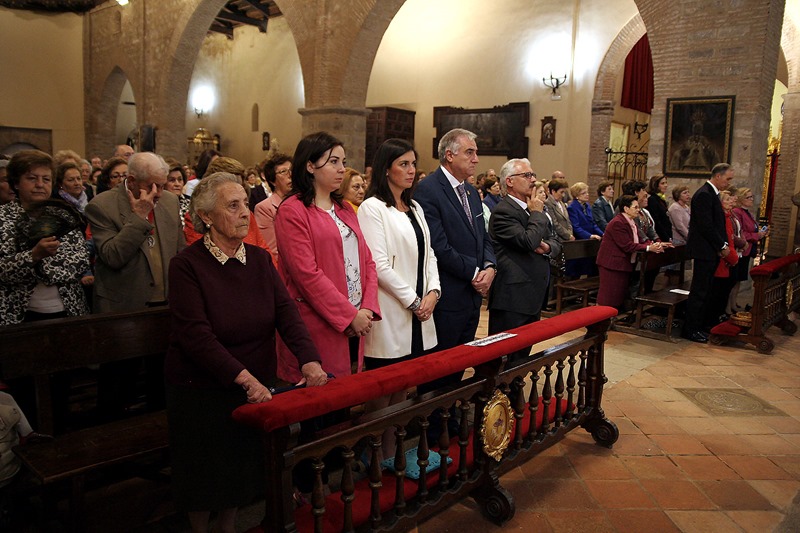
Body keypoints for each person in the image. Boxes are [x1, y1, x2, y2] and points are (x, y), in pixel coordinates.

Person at [165, 172, 328, 533]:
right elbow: (195, 335)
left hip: (255, 380)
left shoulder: (257, 259)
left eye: (246, 204)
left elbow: (287, 313)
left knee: (239, 471)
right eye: (233, 206)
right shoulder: (187, 266)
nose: (245, 213)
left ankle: (228, 526)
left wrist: (309, 359)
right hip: (204, 387)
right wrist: (244, 379)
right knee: (207, 477)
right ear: (206, 216)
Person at [274, 131, 380, 383]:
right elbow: (306, 275)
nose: (342, 168)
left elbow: (367, 261)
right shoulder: (293, 211)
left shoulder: (344, 208)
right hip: (317, 322)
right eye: (333, 161)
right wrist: (349, 315)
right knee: (320, 406)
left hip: (357, 318)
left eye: (343, 161)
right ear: (310, 165)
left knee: (346, 398)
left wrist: (366, 307)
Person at [357, 138, 440, 457]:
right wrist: (414, 301)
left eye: (413, 163)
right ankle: (373, 454)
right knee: (383, 391)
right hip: (392, 310)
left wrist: (433, 291)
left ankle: (391, 455)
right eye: (403, 164)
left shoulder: (415, 207)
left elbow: (428, 253)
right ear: (386, 169)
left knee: (405, 389)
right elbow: (377, 265)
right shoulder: (372, 207)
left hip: (420, 311)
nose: (411, 170)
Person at [85, 152, 185, 418]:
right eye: (153, 185)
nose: (160, 192)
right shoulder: (101, 205)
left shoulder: (170, 202)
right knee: (118, 385)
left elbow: (179, 252)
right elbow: (112, 256)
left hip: (164, 308)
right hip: (123, 310)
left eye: (163, 185)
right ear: (131, 180)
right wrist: (139, 217)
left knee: (161, 384)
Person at [414, 128, 496, 399]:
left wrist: (490, 267)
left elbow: (483, 236)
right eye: (470, 152)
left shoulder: (471, 192)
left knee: (459, 363)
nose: (476, 159)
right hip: (448, 294)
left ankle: (447, 415)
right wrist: (475, 273)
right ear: (449, 155)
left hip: (471, 295)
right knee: (439, 367)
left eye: (475, 152)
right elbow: (438, 245)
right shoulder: (428, 190)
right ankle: (429, 427)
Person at [0, 150, 90, 326]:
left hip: (68, 309)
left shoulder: (62, 215)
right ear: (16, 183)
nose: (40, 184)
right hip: (17, 314)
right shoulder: (3, 218)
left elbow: (80, 261)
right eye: (32, 178)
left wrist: (38, 269)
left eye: (46, 179)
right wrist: (33, 256)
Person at [488, 159, 560, 362]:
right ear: (509, 181)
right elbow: (529, 241)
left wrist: (546, 246)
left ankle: (513, 390)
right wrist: (537, 214)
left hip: (533, 293)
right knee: (502, 354)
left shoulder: (533, 207)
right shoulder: (504, 211)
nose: (533, 179)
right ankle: (496, 393)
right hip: (513, 296)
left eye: (533, 174)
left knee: (521, 355)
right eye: (527, 175)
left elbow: (555, 241)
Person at [682, 163, 734, 343]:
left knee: (707, 290)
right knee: (699, 290)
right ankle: (691, 329)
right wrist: (721, 245)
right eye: (728, 179)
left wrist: (723, 244)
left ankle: (701, 325)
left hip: (710, 250)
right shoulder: (704, 194)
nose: (729, 183)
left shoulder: (712, 194)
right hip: (704, 250)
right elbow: (706, 226)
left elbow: (716, 224)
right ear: (718, 176)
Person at [596, 195, 664, 309]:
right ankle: (599, 321)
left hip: (622, 263)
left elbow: (640, 239)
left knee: (617, 296)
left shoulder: (630, 221)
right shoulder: (618, 222)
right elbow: (627, 245)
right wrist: (648, 248)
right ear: (626, 209)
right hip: (612, 264)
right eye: (635, 207)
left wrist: (653, 244)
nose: (638, 210)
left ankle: (610, 319)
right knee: (607, 296)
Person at [730, 187, 769, 311]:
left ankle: (733, 303)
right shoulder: (737, 211)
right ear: (741, 199)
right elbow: (741, 233)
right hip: (740, 249)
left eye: (752, 196)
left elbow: (752, 228)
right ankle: (729, 306)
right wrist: (757, 236)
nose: (752, 199)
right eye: (748, 197)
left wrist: (761, 232)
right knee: (734, 280)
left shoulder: (748, 212)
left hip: (747, 250)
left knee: (739, 280)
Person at [706, 190, 740, 325]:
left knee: (723, 292)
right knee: (717, 293)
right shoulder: (720, 218)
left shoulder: (728, 216)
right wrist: (733, 258)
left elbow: (731, 238)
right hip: (722, 260)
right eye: (727, 199)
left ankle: (718, 316)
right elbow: (723, 240)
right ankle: (712, 321)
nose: (731, 201)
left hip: (729, 258)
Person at [254, 152, 292, 261]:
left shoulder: (303, 202)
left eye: (292, 170)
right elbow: (272, 250)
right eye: (284, 171)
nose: (290, 175)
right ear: (272, 181)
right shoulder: (265, 208)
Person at [545, 177, 574, 242]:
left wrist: (570, 233)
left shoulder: (561, 203)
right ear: (553, 191)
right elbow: (555, 224)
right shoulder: (548, 204)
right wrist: (567, 235)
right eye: (561, 192)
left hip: (568, 238)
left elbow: (568, 220)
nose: (563, 195)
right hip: (558, 239)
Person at [164, 160, 191, 226]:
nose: (177, 184)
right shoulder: (158, 204)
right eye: (172, 180)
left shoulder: (191, 203)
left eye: (180, 179)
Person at [646, 175, 672, 241]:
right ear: (656, 185)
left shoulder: (661, 199)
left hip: (666, 233)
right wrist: (666, 237)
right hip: (660, 236)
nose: (666, 185)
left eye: (666, 183)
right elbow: (656, 221)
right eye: (662, 183)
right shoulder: (652, 200)